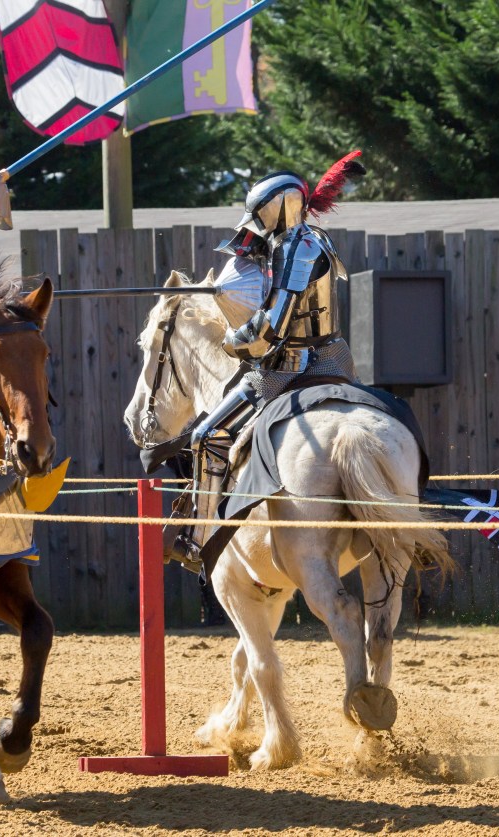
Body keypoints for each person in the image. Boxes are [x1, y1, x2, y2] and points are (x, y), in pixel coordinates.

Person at [165, 155, 364, 568]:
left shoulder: (296, 248)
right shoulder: (312, 239)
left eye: (260, 213)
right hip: (337, 360)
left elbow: (270, 330)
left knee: (207, 434)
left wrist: (232, 344)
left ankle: (197, 539)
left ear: (277, 208)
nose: (256, 222)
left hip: (294, 367)